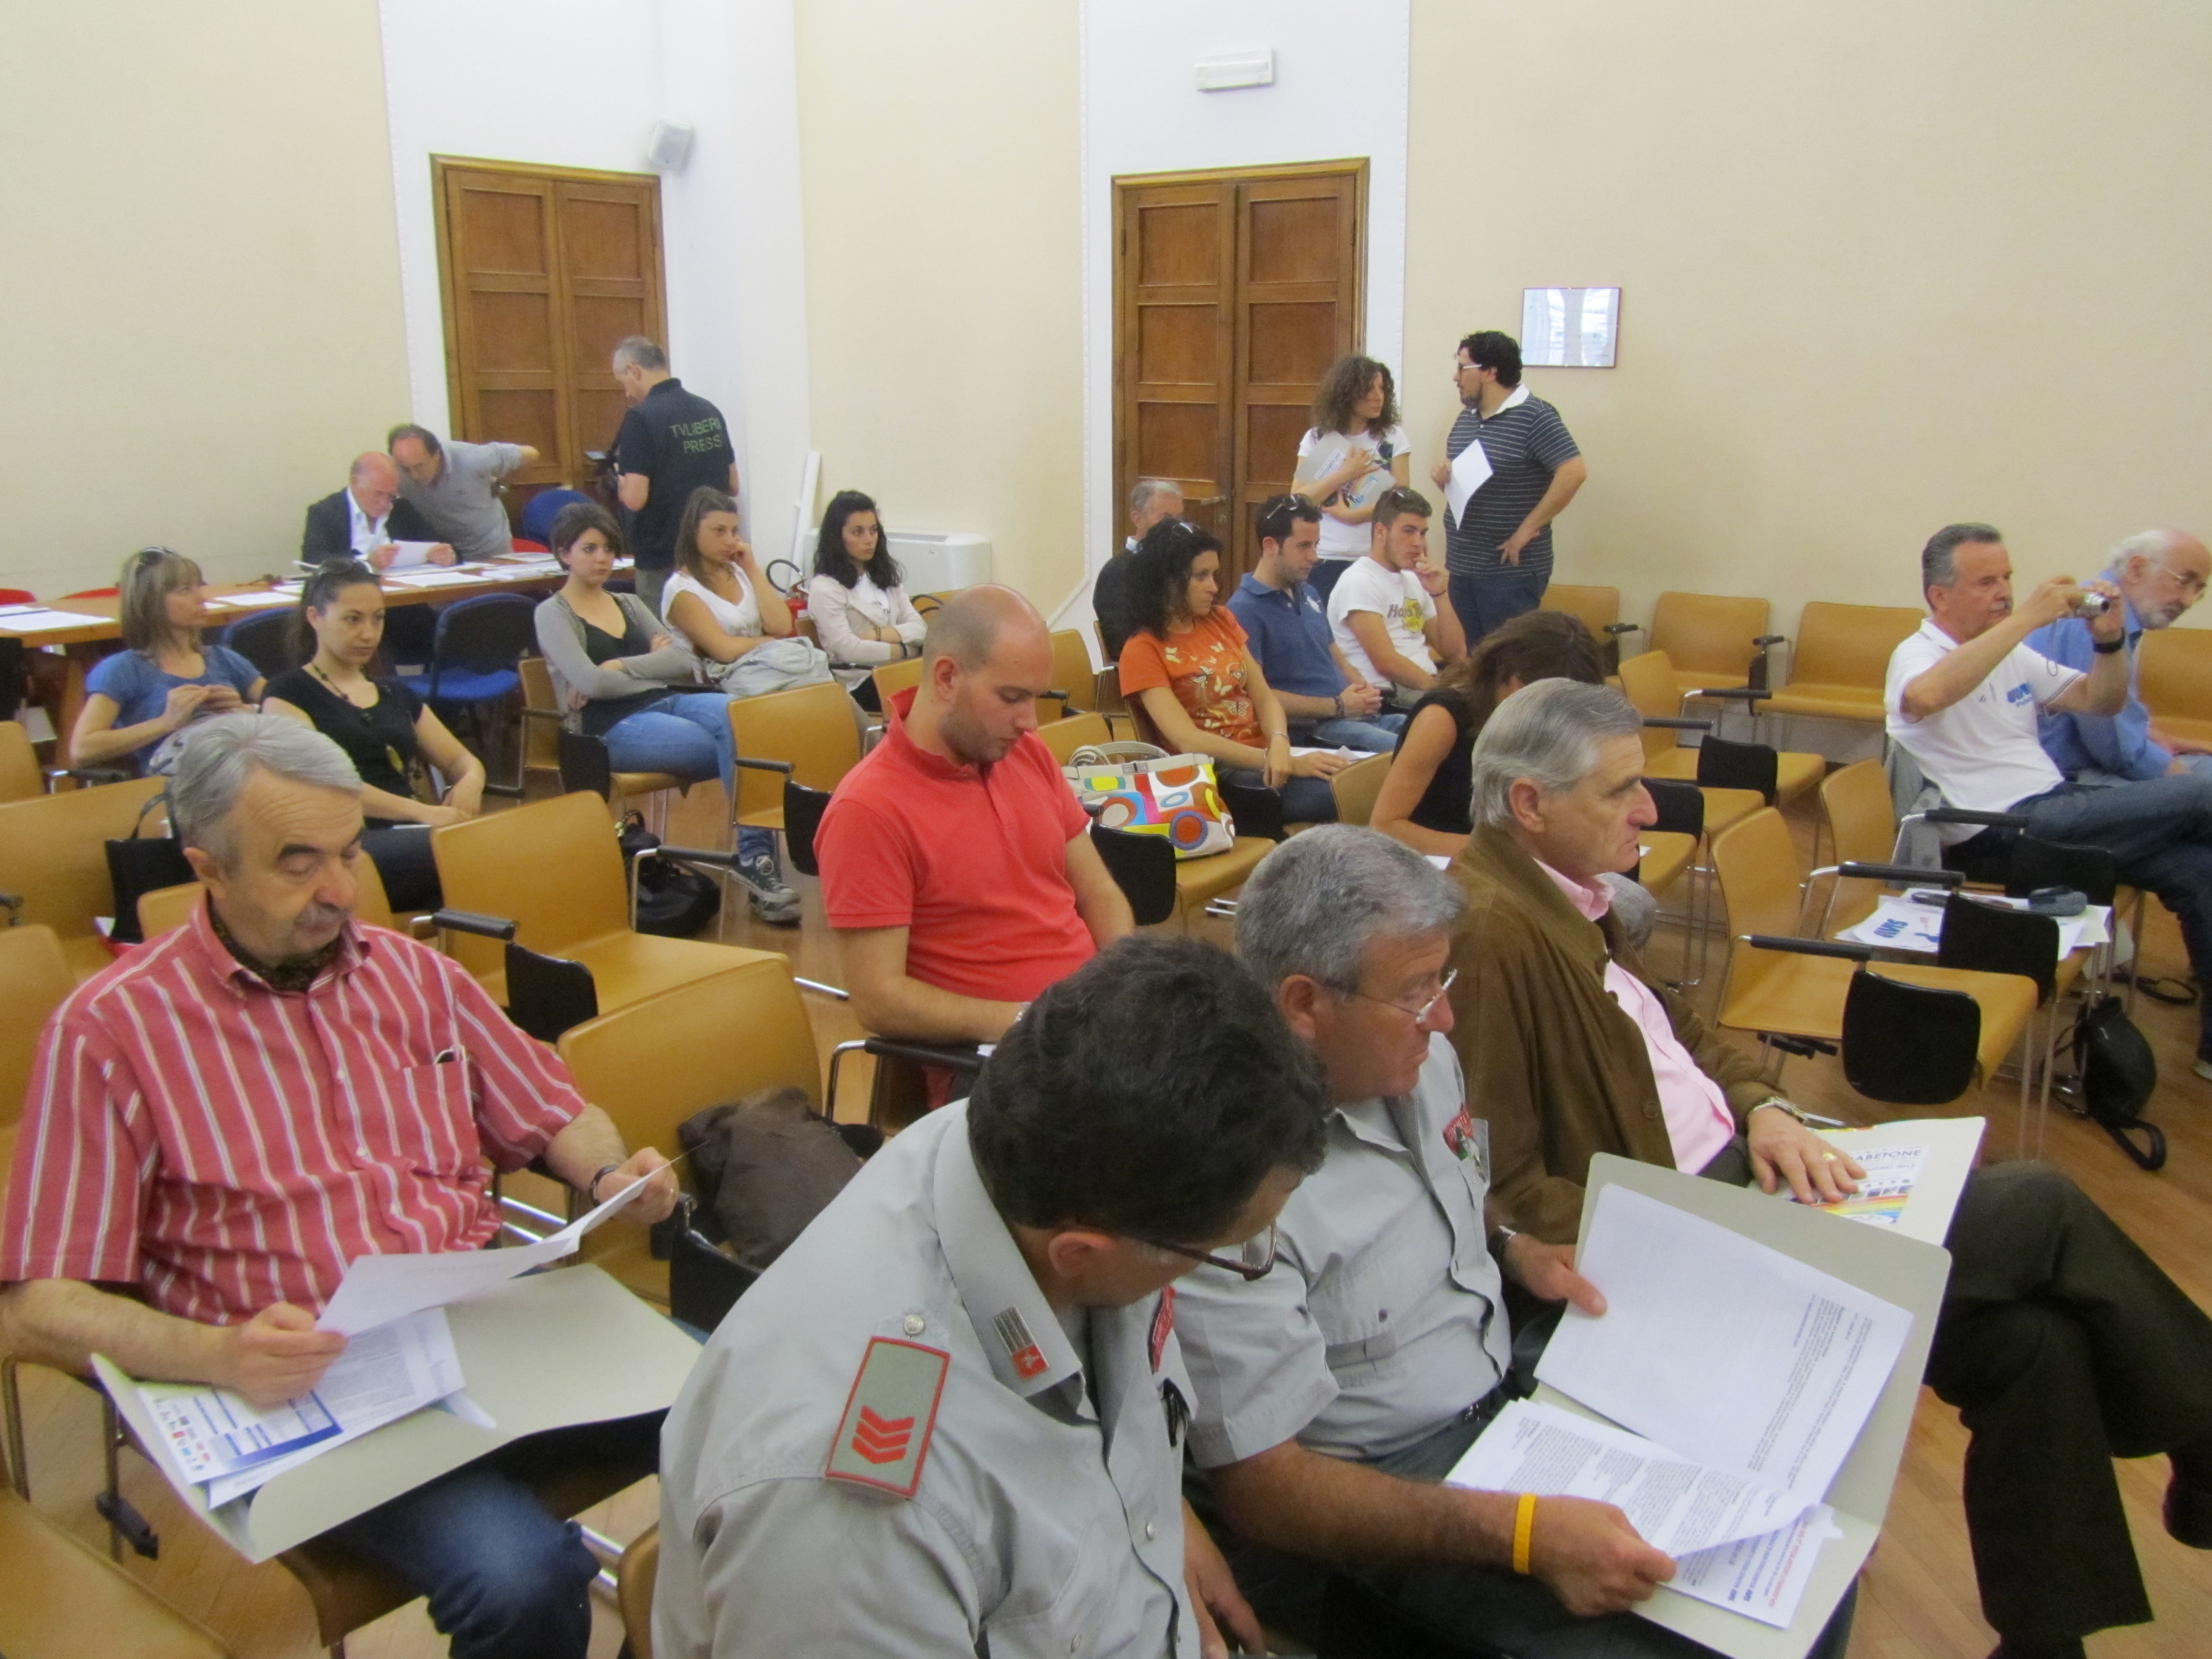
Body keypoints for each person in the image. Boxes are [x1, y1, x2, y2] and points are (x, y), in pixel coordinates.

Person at [1449, 678, 2212, 1659]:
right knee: (2042, 1204)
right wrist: (1699, 1225)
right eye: (1620, 791)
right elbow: (1500, 1182)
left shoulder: (1566, 898)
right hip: (1697, 1238)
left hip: (1750, 1178)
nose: (1647, 810)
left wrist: (1766, 1107)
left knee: (2033, 1343)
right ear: (1529, 803)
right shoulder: (1489, 931)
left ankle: (2045, 1644)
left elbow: (1683, 1032)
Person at [0, 714, 680, 1659]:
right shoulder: (111, 1032)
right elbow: (35, 1308)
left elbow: (554, 1111)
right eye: (298, 864)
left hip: (478, 1331)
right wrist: (215, 1354)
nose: (342, 891)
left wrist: (606, 1170)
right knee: (522, 1578)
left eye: (351, 853)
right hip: (307, 1387)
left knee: (752, 1403)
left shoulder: (411, 973)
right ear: (207, 868)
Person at [1174, 825, 1858, 1659]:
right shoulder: (1224, 1184)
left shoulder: (1416, 1059)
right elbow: (1267, 1493)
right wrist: (1523, 1534)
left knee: (1798, 1569)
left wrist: (1511, 1245)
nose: (1445, 1016)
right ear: (1304, 1005)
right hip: (1381, 1500)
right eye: (1417, 991)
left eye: (1442, 979)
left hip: (1509, 1399)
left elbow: (1446, 1190)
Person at [655, 935, 1330, 1659]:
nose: (1240, 1259)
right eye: (1229, 1250)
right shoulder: (859, 1514)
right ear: (1082, 1253)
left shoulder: (1033, 1143)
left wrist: (1160, 1537)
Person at [1885, 522, 2212, 1078]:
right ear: (1940, 595)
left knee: (2199, 869)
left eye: (2007, 578)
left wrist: (2108, 642)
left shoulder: (2010, 654)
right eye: (1986, 582)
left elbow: (2101, 701)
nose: (2004, 592)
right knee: (2202, 791)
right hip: (1996, 833)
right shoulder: (1916, 654)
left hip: (2054, 809)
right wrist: (2029, 618)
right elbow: (1927, 695)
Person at [816, 586, 1135, 1047]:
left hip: (1086, 1026)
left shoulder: (1026, 753)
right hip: (1004, 1056)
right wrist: (1040, 1023)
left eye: (1035, 698)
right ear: (947, 678)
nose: (1030, 722)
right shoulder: (868, 809)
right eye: (1012, 698)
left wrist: (1124, 987)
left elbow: (1098, 890)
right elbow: (880, 1000)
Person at [532, 501, 801, 926]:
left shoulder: (627, 603)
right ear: (564, 554)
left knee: (742, 716)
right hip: (605, 727)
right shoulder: (552, 613)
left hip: (665, 700)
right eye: (589, 549)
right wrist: (640, 667)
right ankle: (758, 862)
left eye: (608, 549)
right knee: (737, 744)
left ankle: (755, 860)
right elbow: (591, 684)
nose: (602, 558)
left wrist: (617, 666)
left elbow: (681, 660)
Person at [1371, 608, 1656, 950]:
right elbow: (1386, 826)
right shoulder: (1443, 717)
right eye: (1537, 697)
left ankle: (1594, 973)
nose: (1546, 714)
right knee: (1624, 904)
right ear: (1506, 676)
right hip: (1457, 862)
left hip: (1523, 854)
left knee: (1621, 878)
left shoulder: (1549, 723)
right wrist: (1516, 856)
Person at [261, 560, 487, 911]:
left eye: (377, 619)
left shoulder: (395, 693)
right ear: (315, 618)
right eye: (352, 619)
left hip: (409, 833)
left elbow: (460, 759)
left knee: (492, 860)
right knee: (474, 856)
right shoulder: (287, 694)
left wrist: (471, 781)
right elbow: (322, 786)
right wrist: (420, 813)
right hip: (342, 842)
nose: (368, 634)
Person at [1119, 519, 1350, 824]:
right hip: (1218, 779)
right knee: (1351, 792)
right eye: (1200, 576)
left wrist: (1280, 742)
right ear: (1166, 581)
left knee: (1363, 777)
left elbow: (1264, 698)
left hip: (1268, 760)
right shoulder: (1142, 649)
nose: (1214, 587)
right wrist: (1280, 760)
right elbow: (1188, 740)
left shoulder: (1221, 620)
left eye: (1214, 575)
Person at [1430, 332, 1586, 645]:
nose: (1456, 378)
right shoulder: (1467, 419)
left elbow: (1573, 471)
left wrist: (1528, 528)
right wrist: (1443, 475)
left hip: (1509, 571)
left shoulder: (1535, 415)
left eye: (1462, 368)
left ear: (1490, 372)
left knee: (1506, 658)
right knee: (1469, 657)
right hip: (1463, 563)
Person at [2027, 527, 2212, 781]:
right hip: (2070, 778)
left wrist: (2174, 743)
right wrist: (2191, 785)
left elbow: (2123, 729)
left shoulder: (2105, 609)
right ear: (2136, 569)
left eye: (2199, 590)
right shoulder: (2095, 617)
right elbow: (2116, 750)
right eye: (2183, 581)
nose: (2188, 601)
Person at [1224, 493, 1404, 754]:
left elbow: (1336, 657)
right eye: (1303, 546)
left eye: (1316, 545)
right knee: (1410, 750)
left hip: (1354, 716)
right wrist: (1338, 706)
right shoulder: (1244, 610)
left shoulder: (1308, 592)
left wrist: (1363, 690)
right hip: (1312, 729)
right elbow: (1256, 696)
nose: (1315, 556)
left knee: (1440, 731)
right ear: (1271, 546)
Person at [71, 546, 262, 772]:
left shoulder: (224, 659)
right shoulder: (122, 669)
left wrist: (247, 711)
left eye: (199, 587)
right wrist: (166, 723)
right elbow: (82, 750)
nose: (201, 598)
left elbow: (287, 707)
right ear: (150, 603)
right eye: (184, 590)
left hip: (237, 774)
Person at [610, 336, 739, 618]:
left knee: (664, 638)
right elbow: (733, 485)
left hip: (662, 556)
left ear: (634, 371)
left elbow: (634, 499)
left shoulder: (641, 419)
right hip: (710, 554)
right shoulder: (709, 410)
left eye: (623, 383)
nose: (626, 393)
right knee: (713, 632)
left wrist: (620, 481)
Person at [1327, 486, 1466, 706]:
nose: (1418, 543)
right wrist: (1441, 691)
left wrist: (1440, 593)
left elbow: (1456, 654)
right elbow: (1386, 663)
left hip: (1423, 685)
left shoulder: (1415, 580)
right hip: (1389, 694)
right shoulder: (1359, 580)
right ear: (1381, 532)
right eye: (1408, 531)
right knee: (1466, 709)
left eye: (1422, 533)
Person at [1292, 353, 1410, 602]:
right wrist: (1346, 474)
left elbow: (1401, 500)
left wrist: (1353, 516)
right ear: (1346, 393)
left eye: (1382, 388)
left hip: (1375, 555)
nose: (1378, 396)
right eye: (1369, 389)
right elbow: (1299, 498)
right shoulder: (1318, 437)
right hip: (1327, 555)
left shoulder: (1392, 437)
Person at [804, 489, 925, 699]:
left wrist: (877, 635)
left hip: (900, 671)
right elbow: (850, 651)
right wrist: (908, 651)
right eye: (858, 532)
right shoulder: (825, 587)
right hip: (860, 682)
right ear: (837, 537)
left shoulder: (884, 576)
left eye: (874, 530)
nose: (869, 540)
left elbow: (920, 628)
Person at [388, 423, 540, 565]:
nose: (414, 476)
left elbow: (531, 454)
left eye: (420, 466)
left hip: (490, 551)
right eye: (406, 469)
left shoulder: (473, 458)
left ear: (437, 454)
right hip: (446, 554)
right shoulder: (395, 471)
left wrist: (503, 485)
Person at [300, 451, 453, 569]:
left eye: (391, 495)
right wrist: (366, 560)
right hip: (353, 595)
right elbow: (312, 560)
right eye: (378, 494)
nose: (385, 503)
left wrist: (447, 555)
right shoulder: (325, 513)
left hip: (404, 594)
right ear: (355, 483)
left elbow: (439, 544)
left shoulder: (402, 509)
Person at [1094, 478, 1184, 662]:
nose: (1175, 527)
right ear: (1138, 519)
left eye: (1178, 519)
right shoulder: (1116, 573)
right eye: (1166, 519)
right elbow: (1122, 645)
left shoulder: (1180, 565)